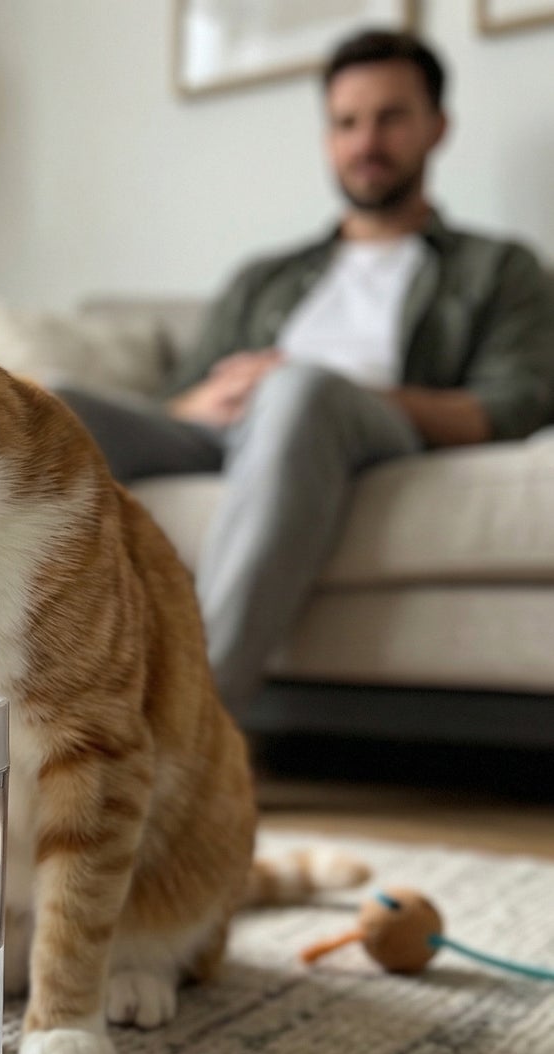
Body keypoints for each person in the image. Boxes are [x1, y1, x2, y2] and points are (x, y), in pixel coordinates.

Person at [60, 28, 554, 721]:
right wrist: (208, 398)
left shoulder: (498, 268)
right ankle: (2, 708)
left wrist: (325, 383)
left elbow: (510, 405)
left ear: (436, 127)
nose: (365, 142)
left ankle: (196, 725)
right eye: (346, 122)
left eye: (391, 117)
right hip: (231, 431)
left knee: (300, 391)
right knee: (47, 409)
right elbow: (178, 400)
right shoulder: (266, 277)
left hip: (359, 426)